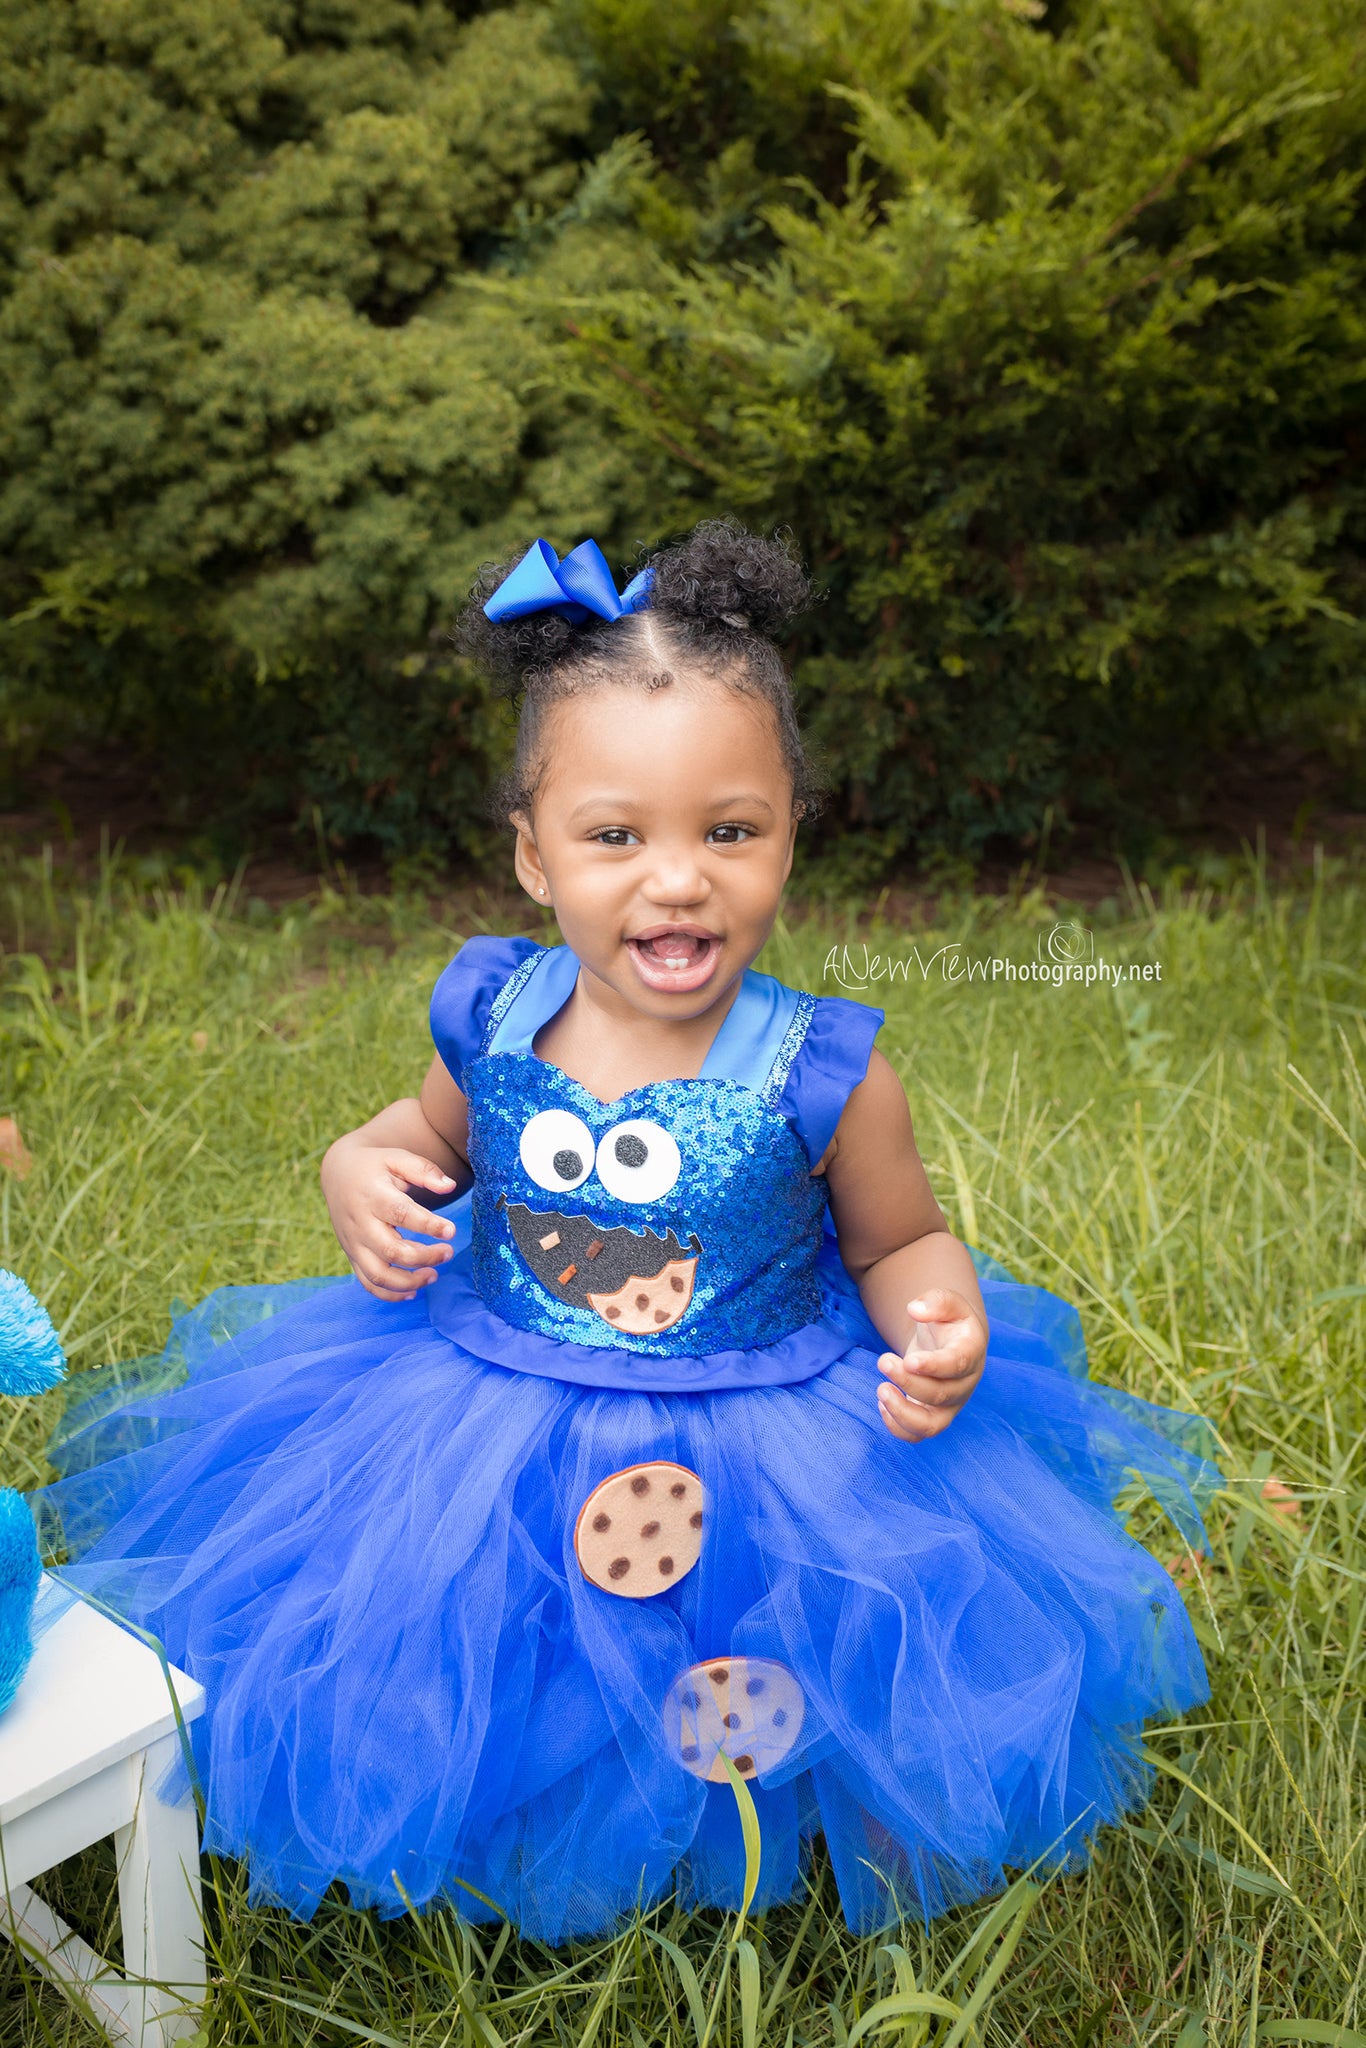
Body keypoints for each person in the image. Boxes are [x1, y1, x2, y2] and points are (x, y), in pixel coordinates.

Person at [36, 522, 1219, 1946]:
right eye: (615, 835)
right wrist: (360, 1167)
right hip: (478, 1415)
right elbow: (419, 1140)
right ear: (532, 856)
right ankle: (504, 1822)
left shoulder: (825, 1071)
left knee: (760, 1649)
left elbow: (897, 1246)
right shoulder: (492, 1013)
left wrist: (938, 1327)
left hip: (766, 1430)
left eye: (730, 830)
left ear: (790, 832)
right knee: (492, 1633)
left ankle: (761, 1824)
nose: (676, 879)